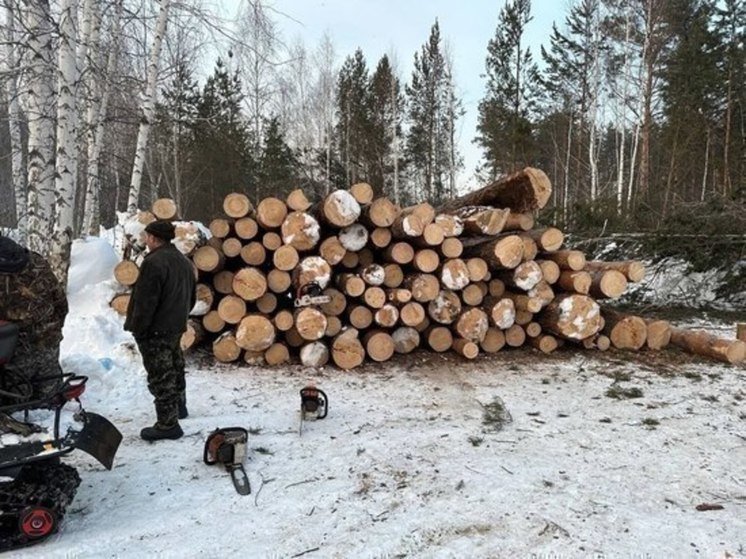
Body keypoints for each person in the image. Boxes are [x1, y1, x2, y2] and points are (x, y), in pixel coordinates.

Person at [124, 221, 196, 442]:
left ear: (154, 238)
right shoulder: (183, 261)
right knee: (175, 366)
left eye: (146, 236)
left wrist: (139, 328)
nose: (145, 240)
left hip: (155, 329)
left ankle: (167, 424)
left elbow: (146, 301)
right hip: (175, 325)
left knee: (160, 375)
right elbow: (191, 298)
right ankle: (178, 408)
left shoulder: (154, 262)